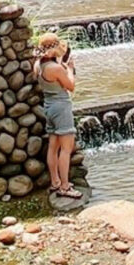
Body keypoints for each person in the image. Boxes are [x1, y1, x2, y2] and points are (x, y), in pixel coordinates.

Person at [32, 33, 82, 201]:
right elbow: (70, 86)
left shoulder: (38, 65)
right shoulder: (56, 69)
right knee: (66, 149)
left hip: (49, 107)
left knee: (53, 146)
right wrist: (70, 69)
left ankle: (55, 181)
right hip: (61, 108)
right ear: (54, 48)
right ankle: (65, 187)